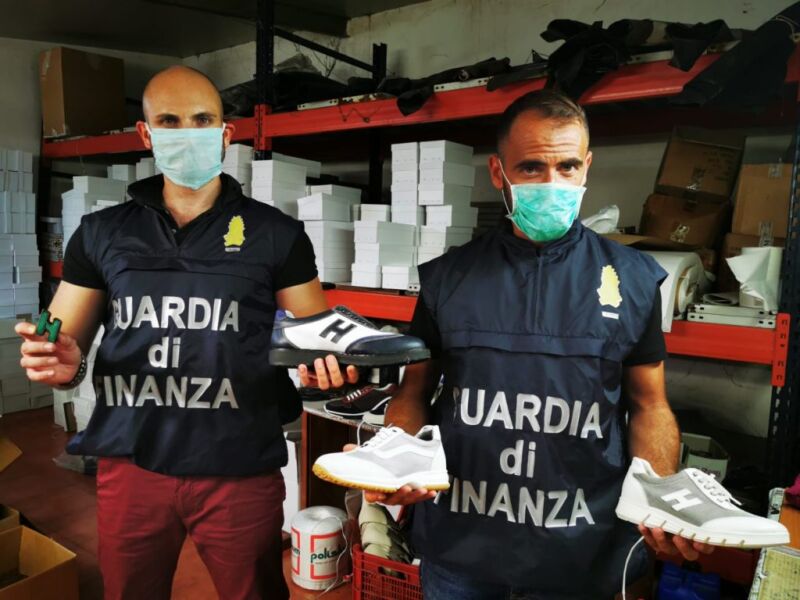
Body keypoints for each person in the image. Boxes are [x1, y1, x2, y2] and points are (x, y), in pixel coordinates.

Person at [16, 65, 354, 600]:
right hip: (133, 463)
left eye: (202, 119)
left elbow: (318, 339)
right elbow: (64, 349)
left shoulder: (277, 234)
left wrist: (331, 367)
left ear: (226, 133)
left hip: (239, 465)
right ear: (146, 133)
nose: (187, 132)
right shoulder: (101, 233)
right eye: (170, 121)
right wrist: (60, 365)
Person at [364, 90, 712, 599]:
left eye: (567, 167)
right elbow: (414, 391)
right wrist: (393, 459)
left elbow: (649, 405)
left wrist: (660, 495)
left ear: (586, 167)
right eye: (531, 168)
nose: (552, 184)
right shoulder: (449, 279)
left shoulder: (632, 280)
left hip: (579, 551)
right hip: (462, 548)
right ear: (498, 171)